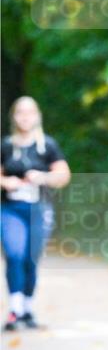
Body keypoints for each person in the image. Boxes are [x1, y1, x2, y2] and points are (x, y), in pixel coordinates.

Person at [1, 96, 71, 330]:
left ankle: (28, 308)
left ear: (37, 116)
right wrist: (6, 182)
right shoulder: (6, 146)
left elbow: (63, 176)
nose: (25, 117)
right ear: (14, 116)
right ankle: (15, 309)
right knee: (14, 254)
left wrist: (43, 177)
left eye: (29, 112)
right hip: (10, 209)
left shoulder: (47, 146)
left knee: (31, 259)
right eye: (20, 112)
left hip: (39, 209)